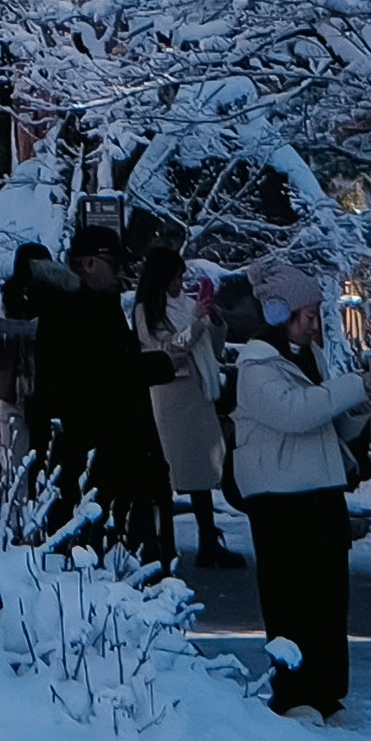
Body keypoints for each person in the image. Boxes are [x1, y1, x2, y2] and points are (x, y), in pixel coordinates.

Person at [226, 261, 355, 720]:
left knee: (328, 597)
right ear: (280, 314)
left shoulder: (308, 356)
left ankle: (327, 689)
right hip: (280, 497)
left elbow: (325, 417)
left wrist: (358, 408)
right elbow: (295, 413)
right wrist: (351, 388)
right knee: (291, 599)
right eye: (309, 315)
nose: (315, 324)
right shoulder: (257, 366)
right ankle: (294, 692)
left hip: (320, 489)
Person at [7, 224, 166, 566]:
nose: (122, 273)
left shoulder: (84, 303)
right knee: (98, 552)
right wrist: (158, 365)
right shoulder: (76, 308)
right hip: (95, 451)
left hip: (99, 449)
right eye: (116, 263)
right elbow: (101, 373)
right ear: (90, 264)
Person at [143, 240, 235, 587]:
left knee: (201, 470)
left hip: (197, 392)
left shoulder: (185, 305)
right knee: (170, 471)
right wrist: (197, 323)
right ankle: (163, 543)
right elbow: (167, 348)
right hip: (172, 396)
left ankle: (208, 539)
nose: (180, 284)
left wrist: (214, 321)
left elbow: (209, 347)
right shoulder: (147, 310)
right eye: (175, 278)